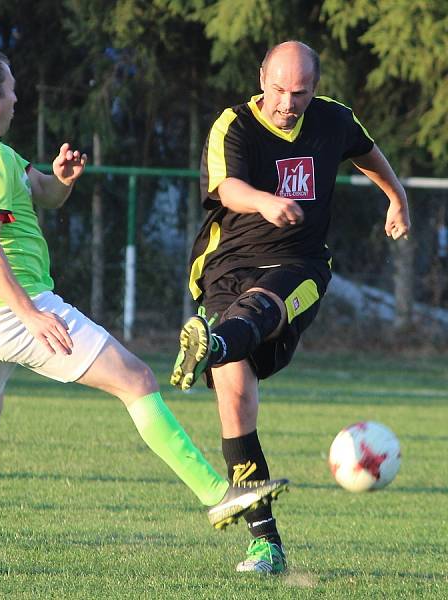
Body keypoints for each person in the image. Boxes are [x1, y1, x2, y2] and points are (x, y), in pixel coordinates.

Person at [0, 48, 289, 572]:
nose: (18, 98)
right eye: (12, 89)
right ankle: (215, 493)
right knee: (137, 380)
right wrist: (30, 315)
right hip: (12, 310)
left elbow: (43, 193)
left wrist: (61, 178)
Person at [170, 41, 410, 574]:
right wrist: (265, 200)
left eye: (299, 92)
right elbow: (226, 187)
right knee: (235, 398)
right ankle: (266, 545)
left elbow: (366, 151)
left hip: (300, 264)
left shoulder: (332, 120)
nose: (287, 102)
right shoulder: (233, 124)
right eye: (278, 89)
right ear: (262, 79)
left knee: (266, 306)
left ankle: (214, 344)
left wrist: (396, 196)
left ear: (314, 88)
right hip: (225, 265)